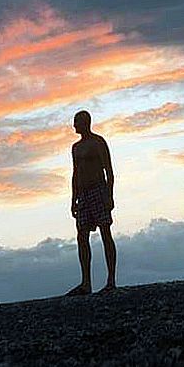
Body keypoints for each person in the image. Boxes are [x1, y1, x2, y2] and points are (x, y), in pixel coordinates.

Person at [65, 110, 117, 296]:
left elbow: (108, 171)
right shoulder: (75, 148)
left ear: (85, 122)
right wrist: (73, 199)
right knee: (82, 236)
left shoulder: (97, 142)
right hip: (83, 195)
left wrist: (109, 195)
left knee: (105, 231)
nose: (74, 125)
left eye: (77, 122)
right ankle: (86, 283)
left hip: (98, 190)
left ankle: (111, 280)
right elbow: (75, 173)